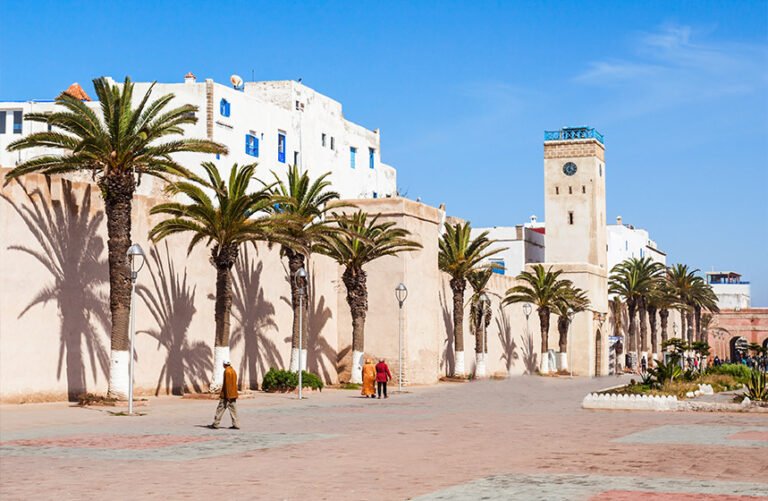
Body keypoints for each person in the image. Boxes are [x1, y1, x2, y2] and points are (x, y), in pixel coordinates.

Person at [210, 360, 240, 429]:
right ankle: (236, 424)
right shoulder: (233, 371)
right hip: (233, 395)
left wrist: (227, 396)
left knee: (220, 409)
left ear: (224, 364)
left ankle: (216, 424)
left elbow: (227, 385)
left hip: (227, 396)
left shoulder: (226, 371)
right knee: (234, 410)